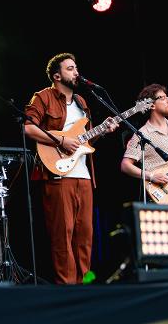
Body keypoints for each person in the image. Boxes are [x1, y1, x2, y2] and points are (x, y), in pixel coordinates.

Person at [24, 52, 117, 285]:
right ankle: (66, 286)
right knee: (62, 235)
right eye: (70, 68)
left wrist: (102, 131)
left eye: (76, 68)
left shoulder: (82, 103)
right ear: (57, 75)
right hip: (57, 173)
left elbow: (84, 142)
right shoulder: (43, 97)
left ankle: (85, 284)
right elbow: (29, 129)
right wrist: (61, 141)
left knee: (85, 235)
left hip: (83, 175)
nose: (76, 72)